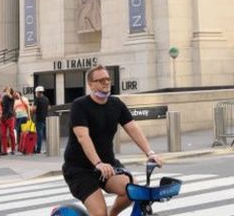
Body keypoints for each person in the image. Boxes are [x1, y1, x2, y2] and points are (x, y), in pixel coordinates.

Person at [62, 65, 162, 216]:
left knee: (132, 189)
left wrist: (150, 153)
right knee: (99, 213)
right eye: (100, 80)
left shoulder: (116, 104)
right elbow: (83, 137)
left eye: (108, 79)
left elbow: (133, 128)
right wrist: (98, 163)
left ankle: (112, 214)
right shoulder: (80, 105)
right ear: (90, 84)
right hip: (80, 169)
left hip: (108, 165)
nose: (106, 82)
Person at [32, 86, 50, 154]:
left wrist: (32, 109)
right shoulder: (46, 99)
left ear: (38, 92)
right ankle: (48, 149)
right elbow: (49, 107)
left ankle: (38, 149)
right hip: (46, 118)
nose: (35, 93)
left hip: (39, 118)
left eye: (36, 92)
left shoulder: (37, 99)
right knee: (46, 134)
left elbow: (34, 109)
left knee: (39, 134)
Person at [0, 88, 16, 155]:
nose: (6, 91)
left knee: (11, 134)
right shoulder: (4, 97)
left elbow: (11, 97)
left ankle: (13, 149)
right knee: (3, 135)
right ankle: (5, 150)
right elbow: (2, 106)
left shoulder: (11, 97)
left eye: (7, 90)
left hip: (10, 117)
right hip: (3, 117)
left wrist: (8, 92)